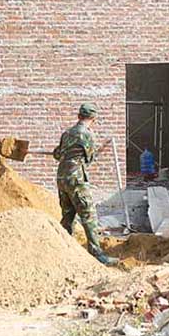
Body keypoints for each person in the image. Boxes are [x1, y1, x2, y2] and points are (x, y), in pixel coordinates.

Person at [52, 103, 117, 266]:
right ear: (93, 118)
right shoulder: (87, 134)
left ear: (79, 116)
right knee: (89, 215)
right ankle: (97, 254)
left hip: (61, 178)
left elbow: (58, 154)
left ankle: (60, 251)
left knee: (68, 216)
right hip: (76, 178)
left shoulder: (66, 133)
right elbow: (88, 158)